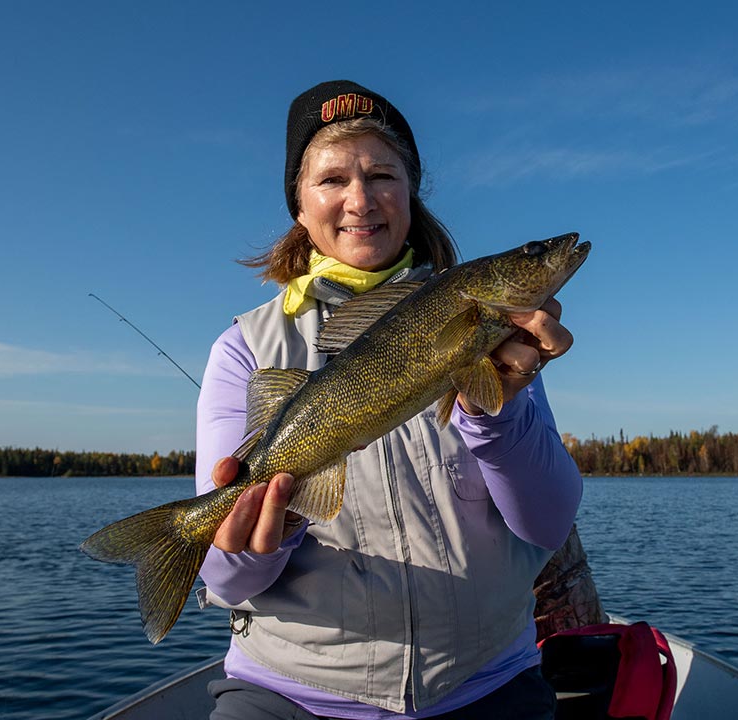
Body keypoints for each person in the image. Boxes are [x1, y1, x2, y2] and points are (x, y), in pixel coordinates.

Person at [195, 80, 585, 720]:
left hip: (488, 683)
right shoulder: (245, 349)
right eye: (331, 180)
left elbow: (547, 525)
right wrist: (252, 542)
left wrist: (500, 412)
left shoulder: (500, 340)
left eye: (382, 174)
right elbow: (227, 582)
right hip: (292, 695)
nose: (360, 199)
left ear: (410, 192)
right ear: (298, 204)